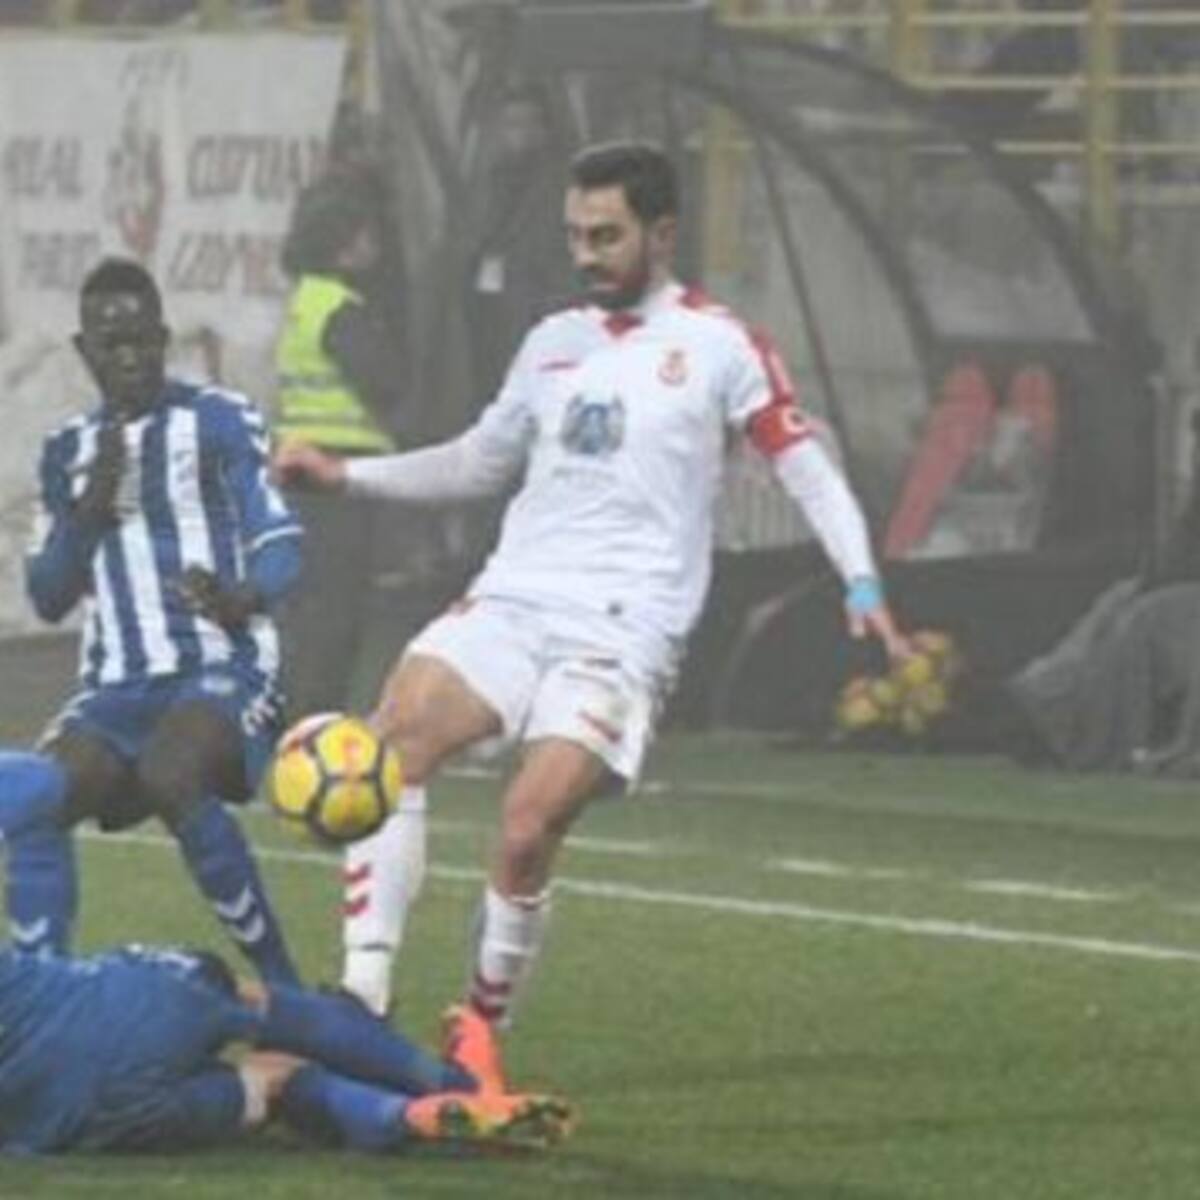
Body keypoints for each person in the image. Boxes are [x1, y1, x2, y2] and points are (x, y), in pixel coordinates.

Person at [274, 141, 909, 1027]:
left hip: (623, 630)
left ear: (662, 232)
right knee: (393, 744)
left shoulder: (722, 346)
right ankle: (362, 997)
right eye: (575, 234)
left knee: (528, 826)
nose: (586, 254)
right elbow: (476, 461)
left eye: (605, 235)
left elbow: (804, 467)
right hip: (514, 598)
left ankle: (480, 1034)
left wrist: (863, 584)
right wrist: (348, 476)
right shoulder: (552, 342)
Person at [3, 257, 301, 984]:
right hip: (113, 685)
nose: (130, 357)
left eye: (143, 340)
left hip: (218, 662)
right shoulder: (68, 451)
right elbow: (47, 595)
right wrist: (87, 513)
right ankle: (46, 994)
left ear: (163, 338)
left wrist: (243, 597)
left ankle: (285, 987)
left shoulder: (219, 419)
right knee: (39, 798)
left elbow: (282, 540)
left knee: (173, 772)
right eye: (113, 344)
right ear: (85, 351)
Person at [0, 928, 573, 1155]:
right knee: (257, 1005)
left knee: (272, 1081)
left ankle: (404, 1116)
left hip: (72, 1118)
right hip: (120, 1003)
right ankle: (460, 1084)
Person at [274, 172, 409, 716]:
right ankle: (318, 714)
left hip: (302, 463)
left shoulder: (304, 301)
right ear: (343, 241)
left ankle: (296, 709)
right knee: (338, 606)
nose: (374, 245)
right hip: (339, 468)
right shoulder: (341, 308)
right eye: (366, 234)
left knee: (309, 603)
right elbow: (385, 379)